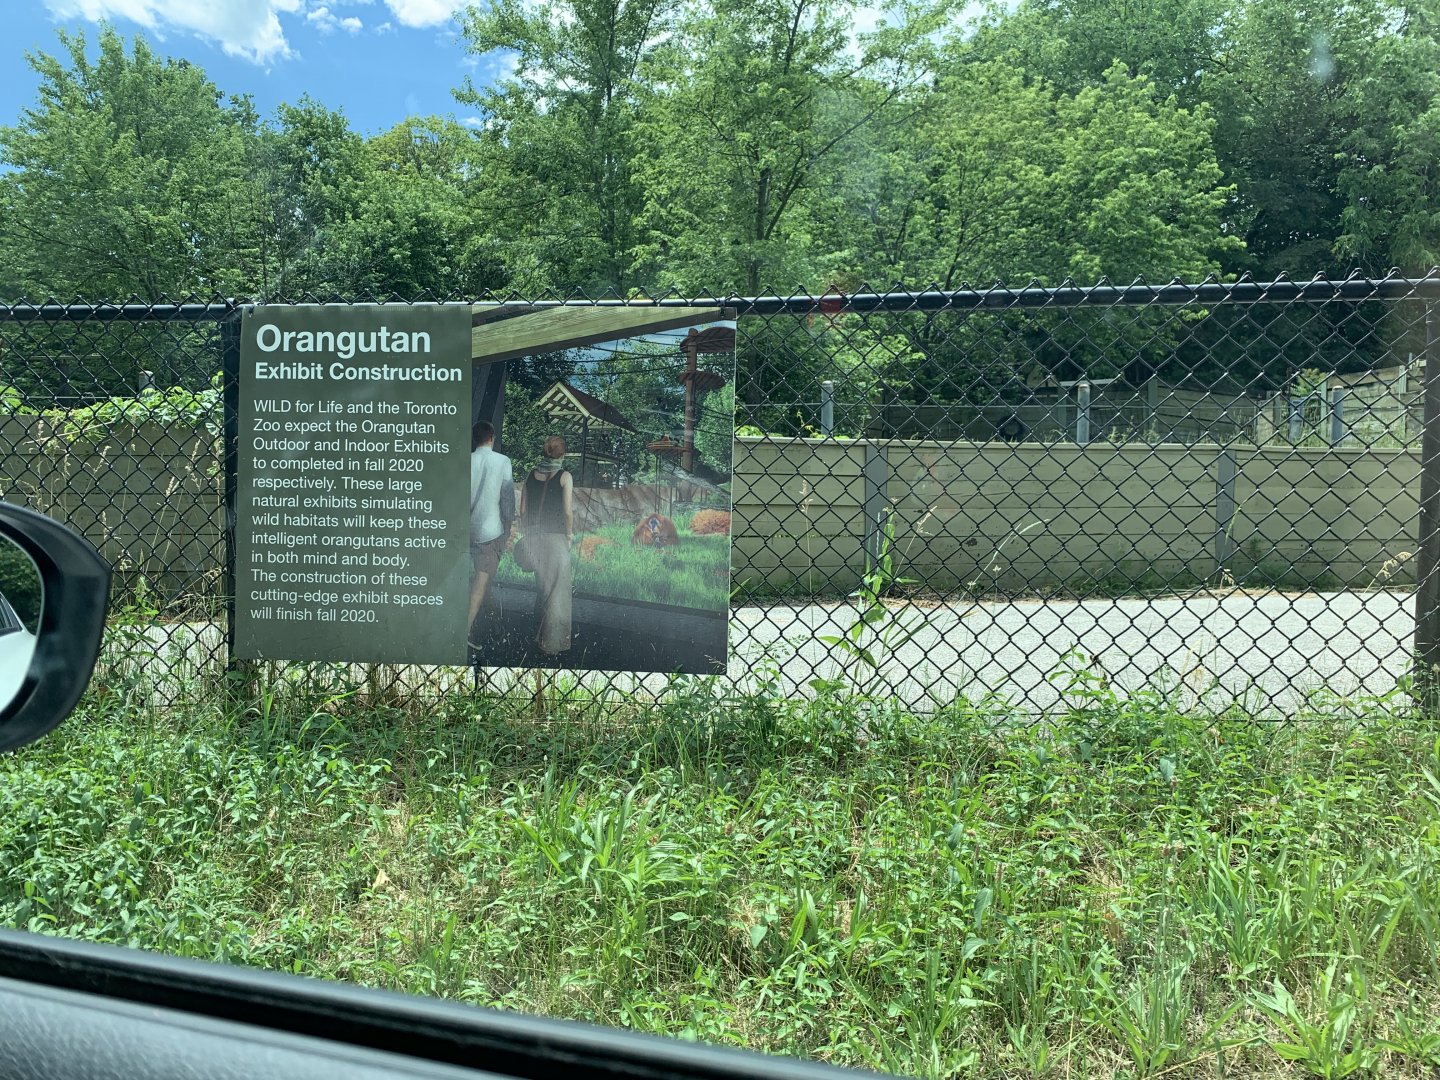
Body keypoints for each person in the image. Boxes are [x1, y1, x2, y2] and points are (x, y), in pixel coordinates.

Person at [518, 435, 573, 655]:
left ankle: (537, 636)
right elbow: (567, 512)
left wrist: (527, 533)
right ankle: (551, 645)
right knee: (558, 591)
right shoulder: (564, 476)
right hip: (556, 539)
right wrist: (569, 536)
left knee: (542, 587)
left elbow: (522, 511)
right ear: (563, 454)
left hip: (534, 537)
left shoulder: (530, 475)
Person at [468, 421, 515, 640]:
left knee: (484, 580)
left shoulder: (466, 461)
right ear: (492, 437)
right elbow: (507, 499)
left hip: (467, 530)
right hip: (490, 532)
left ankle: (497, 625)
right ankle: (465, 630)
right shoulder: (503, 461)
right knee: (482, 581)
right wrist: (507, 529)